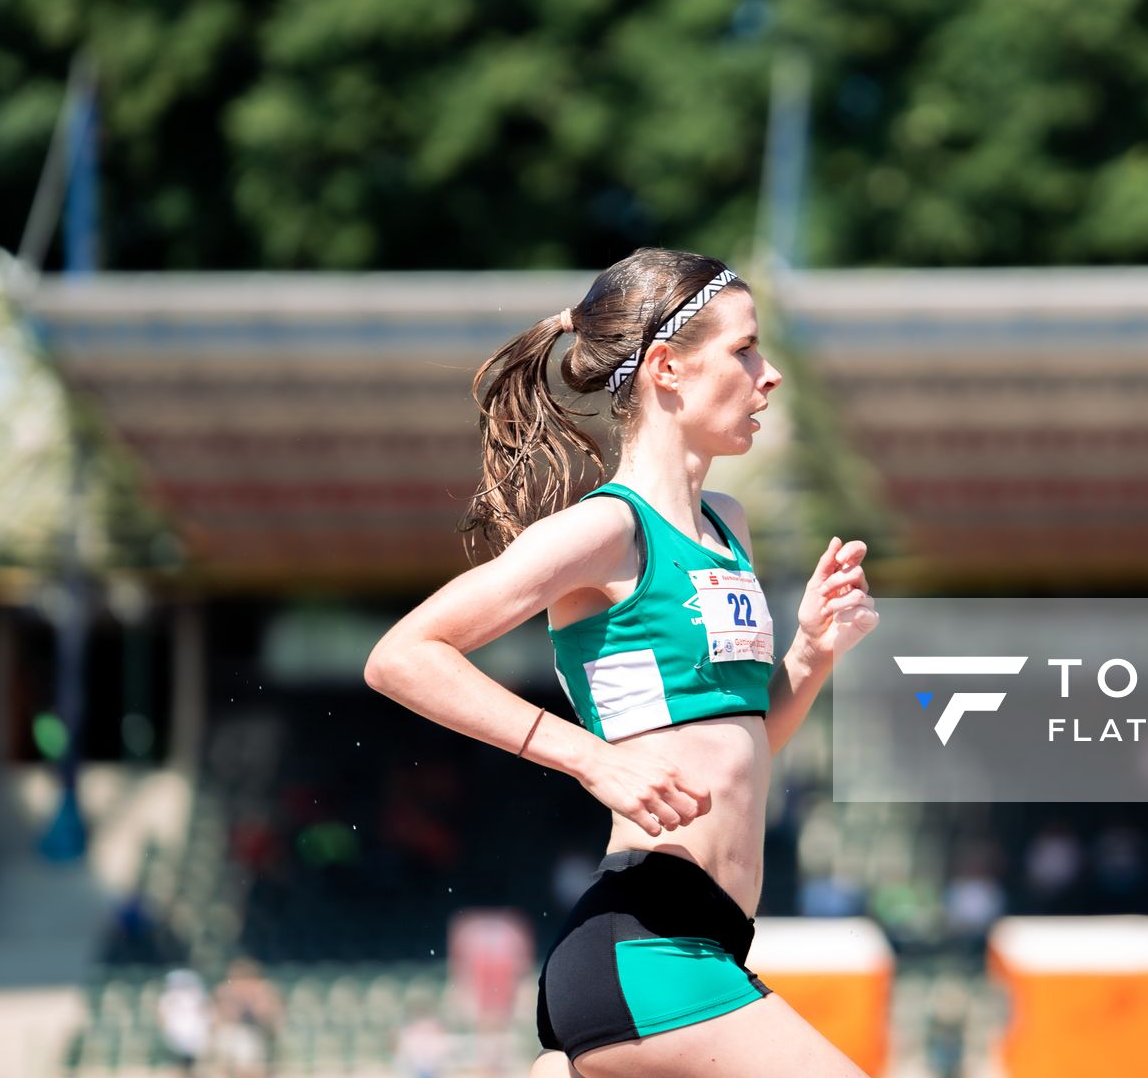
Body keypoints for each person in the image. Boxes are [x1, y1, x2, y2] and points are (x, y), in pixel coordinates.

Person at [365, 249, 881, 1078]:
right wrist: (587, 757)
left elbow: (738, 749)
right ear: (669, 368)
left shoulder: (729, 528)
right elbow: (402, 657)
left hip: (708, 939)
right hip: (647, 945)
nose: (770, 373)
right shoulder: (606, 531)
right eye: (745, 349)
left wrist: (812, 653)